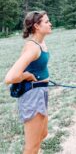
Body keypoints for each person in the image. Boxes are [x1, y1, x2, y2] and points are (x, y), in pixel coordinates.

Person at [4, 11, 52, 154]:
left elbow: (39, 65)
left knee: (43, 134)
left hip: (41, 92)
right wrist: (27, 75)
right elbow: (10, 78)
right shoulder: (33, 47)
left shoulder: (41, 42)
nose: (50, 24)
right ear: (37, 26)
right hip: (33, 96)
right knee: (32, 147)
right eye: (47, 22)